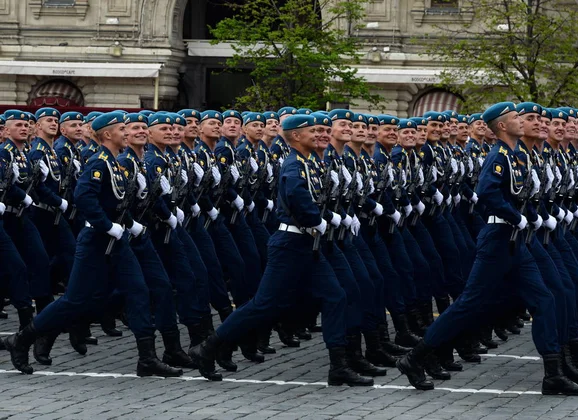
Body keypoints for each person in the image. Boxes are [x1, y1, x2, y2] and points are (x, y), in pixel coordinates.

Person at [397, 102, 578, 396]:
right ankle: (415, 357)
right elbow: (486, 192)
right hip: (498, 238)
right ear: (501, 125)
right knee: (468, 305)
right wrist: (516, 216)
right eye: (516, 118)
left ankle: (553, 373)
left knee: (544, 300)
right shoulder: (498, 155)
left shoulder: (515, 155)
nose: (522, 121)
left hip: (515, 241)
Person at [189, 114, 373, 387]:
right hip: (289, 245)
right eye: (315, 131)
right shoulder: (293, 165)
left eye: (324, 131)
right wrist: (318, 220)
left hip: (307, 244)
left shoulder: (308, 162)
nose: (322, 135)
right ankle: (207, 348)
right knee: (264, 305)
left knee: (335, 296)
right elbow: (297, 195)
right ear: (296, 136)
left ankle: (339, 365)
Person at [2, 111, 183, 378]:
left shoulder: (115, 163)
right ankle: (23, 339)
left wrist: (130, 225)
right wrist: (107, 225)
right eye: (122, 129)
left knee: (138, 291)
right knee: (74, 300)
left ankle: (147, 358)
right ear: (107, 134)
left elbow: (118, 203)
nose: (126, 133)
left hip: (117, 241)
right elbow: (84, 197)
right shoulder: (99, 163)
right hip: (96, 241)